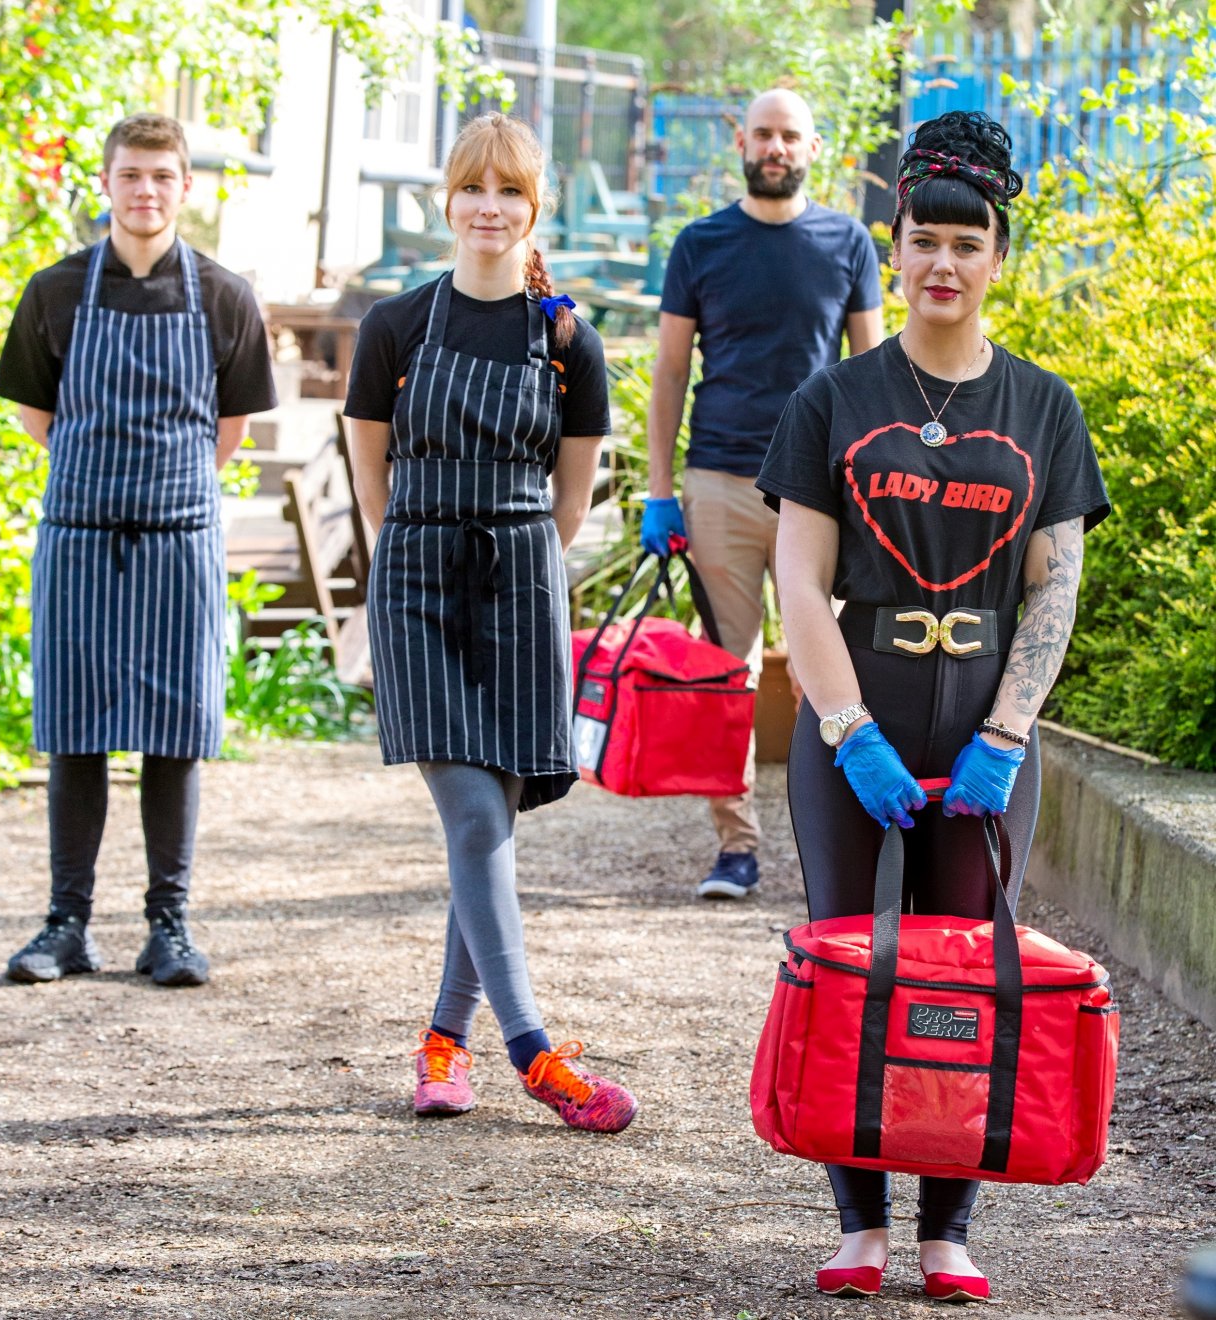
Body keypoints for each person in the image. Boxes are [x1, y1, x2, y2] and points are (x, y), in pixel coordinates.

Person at [757, 110, 1110, 1301]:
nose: (944, 263)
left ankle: (948, 1226)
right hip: (856, 709)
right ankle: (858, 1222)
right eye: (925, 240)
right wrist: (846, 730)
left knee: (969, 967)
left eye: (969, 242)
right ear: (893, 247)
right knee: (850, 957)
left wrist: (1006, 736)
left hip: (984, 732)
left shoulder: (1044, 408)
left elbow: (1053, 587)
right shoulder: (834, 401)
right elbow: (797, 577)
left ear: (997, 256)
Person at [343, 113, 637, 1133]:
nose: (488, 208)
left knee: (491, 830)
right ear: (447, 200)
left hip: (519, 581)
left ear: (533, 208)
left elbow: (571, 499)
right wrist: (399, 572)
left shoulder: (567, 343)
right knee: (473, 816)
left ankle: (441, 1044)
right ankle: (532, 1051)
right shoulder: (393, 326)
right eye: (472, 188)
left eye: (508, 191)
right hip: (418, 580)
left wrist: (520, 564)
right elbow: (369, 472)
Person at [0, 114, 277, 987]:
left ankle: (170, 926)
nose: (145, 191)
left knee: (174, 733)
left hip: (180, 540)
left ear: (185, 187)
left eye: (161, 175)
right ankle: (65, 925)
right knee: (75, 728)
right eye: (130, 176)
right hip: (78, 537)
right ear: (106, 185)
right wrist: (103, 486)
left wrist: (161, 491)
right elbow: (39, 418)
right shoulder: (54, 291)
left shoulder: (225, 296)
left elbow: (227, 430)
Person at [643, 88, 884, 901]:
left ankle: (836, 847)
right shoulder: (701, 244)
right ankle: (736, 849)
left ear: (815, 146)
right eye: (764, 134)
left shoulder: (848, 242)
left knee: (831, 674)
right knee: (727, 673)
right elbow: (671, 371)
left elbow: (870, 374)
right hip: (718, 483)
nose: (776, 147)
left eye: (791, 135)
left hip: (819, 494)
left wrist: (874, 489)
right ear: (739, 140)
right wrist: (658, 492)